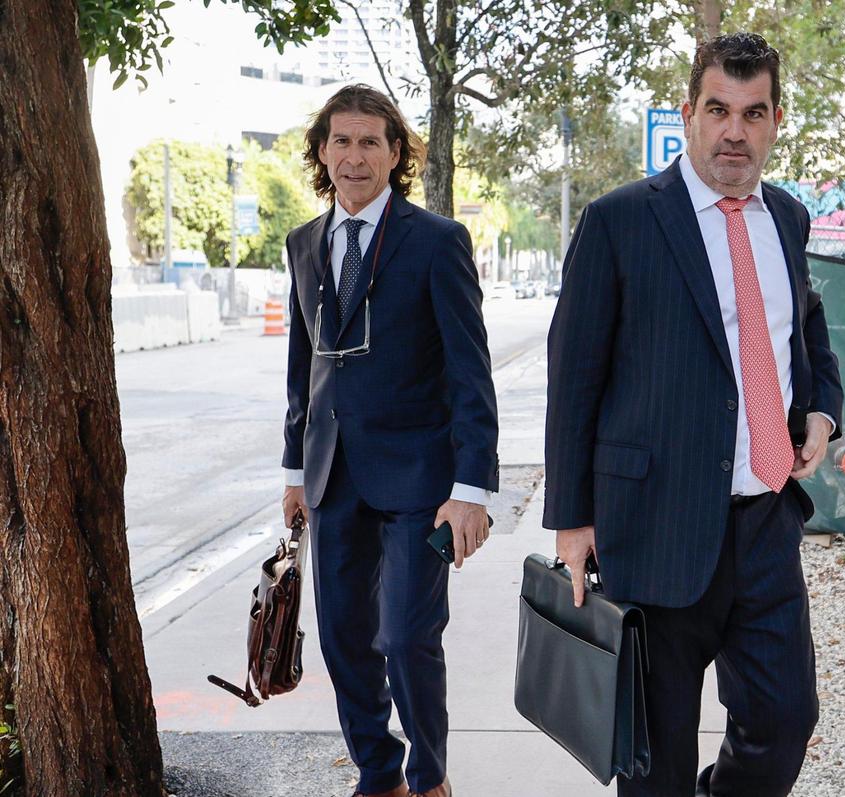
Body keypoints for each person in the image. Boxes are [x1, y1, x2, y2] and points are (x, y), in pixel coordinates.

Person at [543, 33, 843, 797]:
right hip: (655, 523)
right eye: (718, 110)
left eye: (753, 112)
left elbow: (804, 329)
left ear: (776, 120)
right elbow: (574, 376)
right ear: (689, 114)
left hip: (766, 520)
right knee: (654, 759)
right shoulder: (620, 222)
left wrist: (823, 411)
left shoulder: (788, 217)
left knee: (783, 719)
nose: (734, 130)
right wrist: (572, 518)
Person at [281, 84, 498, 797]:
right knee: (344, 642)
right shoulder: (305, 244)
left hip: (421, 481)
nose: (353, 156)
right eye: (340, 141)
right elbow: (301, 365)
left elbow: (471, 372)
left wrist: (471, 489)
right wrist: (293, 469)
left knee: (405, 637)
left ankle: (429, 775)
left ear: (395, 153)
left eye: (370, 141)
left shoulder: (437, 242)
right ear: (321, 152)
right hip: (332, 475)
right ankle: (380, 773)